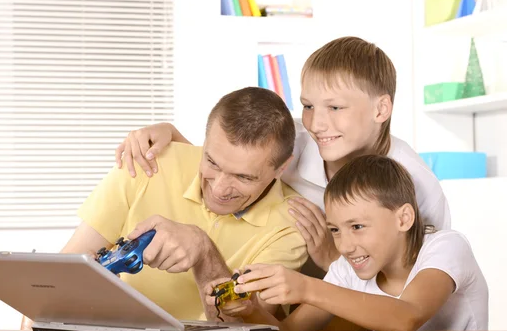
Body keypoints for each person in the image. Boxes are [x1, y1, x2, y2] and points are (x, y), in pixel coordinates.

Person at [112, 36, 451, 272]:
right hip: (295, 288)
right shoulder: (297, 142)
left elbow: (415, 284)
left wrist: (334, 259)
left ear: (381, 109)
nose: (317, 123)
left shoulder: (417, 187)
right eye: (307, 105)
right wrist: (169, 134)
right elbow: (230, 160)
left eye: (335, 107)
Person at [21, 87, 307, 328]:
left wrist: (203, 252)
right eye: (212, 163)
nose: (219, 189)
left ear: (281, 168)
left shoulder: (293, 226)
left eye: (244, 177)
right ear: (204, 143)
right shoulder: (151, 163)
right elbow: (55, 284)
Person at [205, 155, 488, 331]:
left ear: (403, 218)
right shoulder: (348, 269)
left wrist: (306, 287)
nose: (346, 246)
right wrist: (250, 309)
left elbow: (407, 316)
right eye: (335, 230)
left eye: (357, 227)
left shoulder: (446, 247)